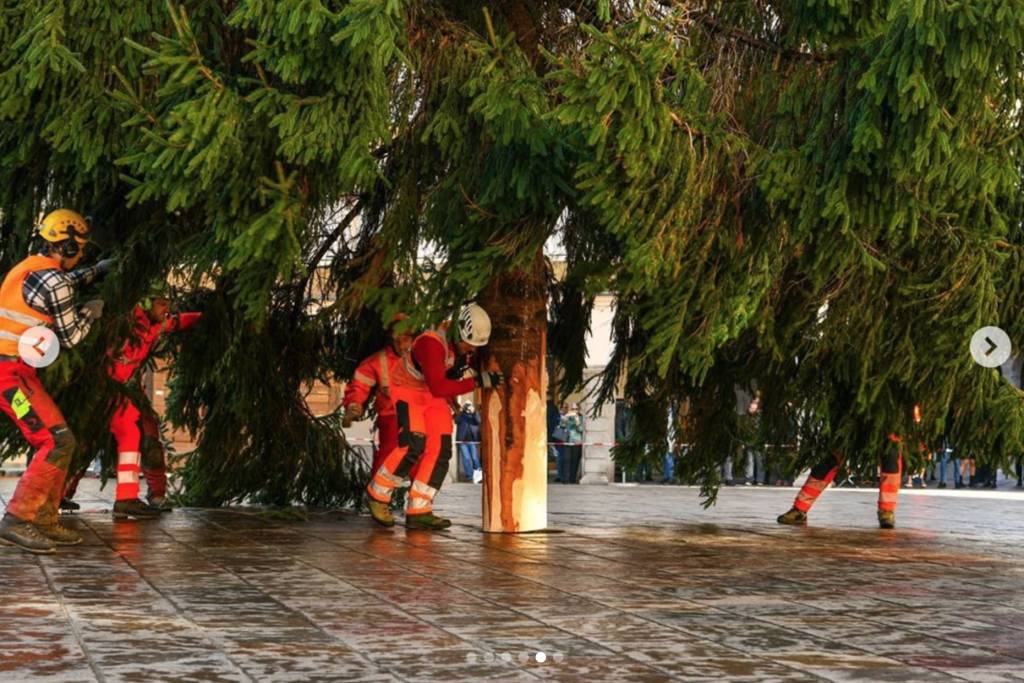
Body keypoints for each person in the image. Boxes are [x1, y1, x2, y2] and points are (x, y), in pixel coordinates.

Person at [0, 209, 113, 553]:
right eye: (79, 250)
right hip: (8, 379)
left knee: (61, 440)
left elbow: (63, 283)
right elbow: (72, 336)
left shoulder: (31, 268)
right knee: (54, 441)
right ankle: (18, 520)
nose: (80, 255)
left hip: (14, 373)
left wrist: (95, 272)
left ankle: (44, 518)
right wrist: (90, 312)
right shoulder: (56, 281)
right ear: (65, 248)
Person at [365, 304, 503, 530]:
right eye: (468, 344)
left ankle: (419, 509)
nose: (471, 350)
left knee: (440, 449)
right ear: (457, 332)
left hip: (430, 393)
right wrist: (477, 382)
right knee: (413, 444)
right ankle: (377, 495)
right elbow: (439, 386)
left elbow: (440, 385)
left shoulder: (463, 345)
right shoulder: (431, 343)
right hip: (408, 389)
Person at [106, 294, 201, 519]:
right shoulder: (125, 323)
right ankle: (58, 493)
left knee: (148, 438)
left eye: (168, 303)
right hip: (103, 389)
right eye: (161, 302)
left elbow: (176, 323)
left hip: (128, 392)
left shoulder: (154, 326)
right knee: (82, 442)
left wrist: (205, 317)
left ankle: (150, 495)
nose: (166, 308)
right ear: (147, 303)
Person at [777, 432, 905, 529]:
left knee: (891, 458)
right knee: (828, 462)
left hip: (887, 425)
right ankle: (800, 509)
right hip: (849, 420)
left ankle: (886, 511)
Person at [341, 314, 416, 477]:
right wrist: (354, 404)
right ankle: (377, 498)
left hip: (418, 418)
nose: (403, 344)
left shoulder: (420, 357)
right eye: (399, 338)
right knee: (387, 459)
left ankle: (416, 499)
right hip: (392, 419)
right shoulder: (377, 362)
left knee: (421, 461)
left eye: (407, 338)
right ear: (392, 337)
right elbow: (359, 385)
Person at [455, 403, 482, 483]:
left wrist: (473, 412)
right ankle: (469, 476)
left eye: (469, 406)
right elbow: (457, 420)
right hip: (462, 440)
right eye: (467, 406)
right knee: (466, 458)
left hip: (472, 440)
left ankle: (478, 475)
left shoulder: (474, 415)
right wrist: (461, 412)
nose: (468, 408)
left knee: (474, 458)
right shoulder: (462, 415)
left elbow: (478, 421)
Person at [560, 403, 584, 484]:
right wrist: (565, 418)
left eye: (576, 409)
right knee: (566, 459)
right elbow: (561, 426)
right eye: (573, 409)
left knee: (575, 461)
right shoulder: (568, 416)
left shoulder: (581, 417)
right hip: (567, 440)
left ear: (579, 409)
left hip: (577, 441)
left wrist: (577, 421)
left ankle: (572, 479)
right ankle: (566, 479)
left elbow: (581, 430)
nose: (574, 411)